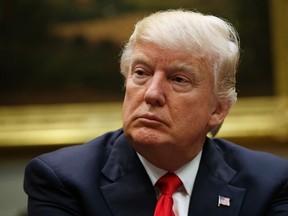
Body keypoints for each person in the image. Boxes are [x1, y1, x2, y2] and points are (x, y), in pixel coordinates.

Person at [24, 9, 288, 216]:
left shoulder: (271, 184)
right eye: (141, 73)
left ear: (218, 109)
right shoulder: (63, 180)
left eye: (179, 79)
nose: (151, 94)